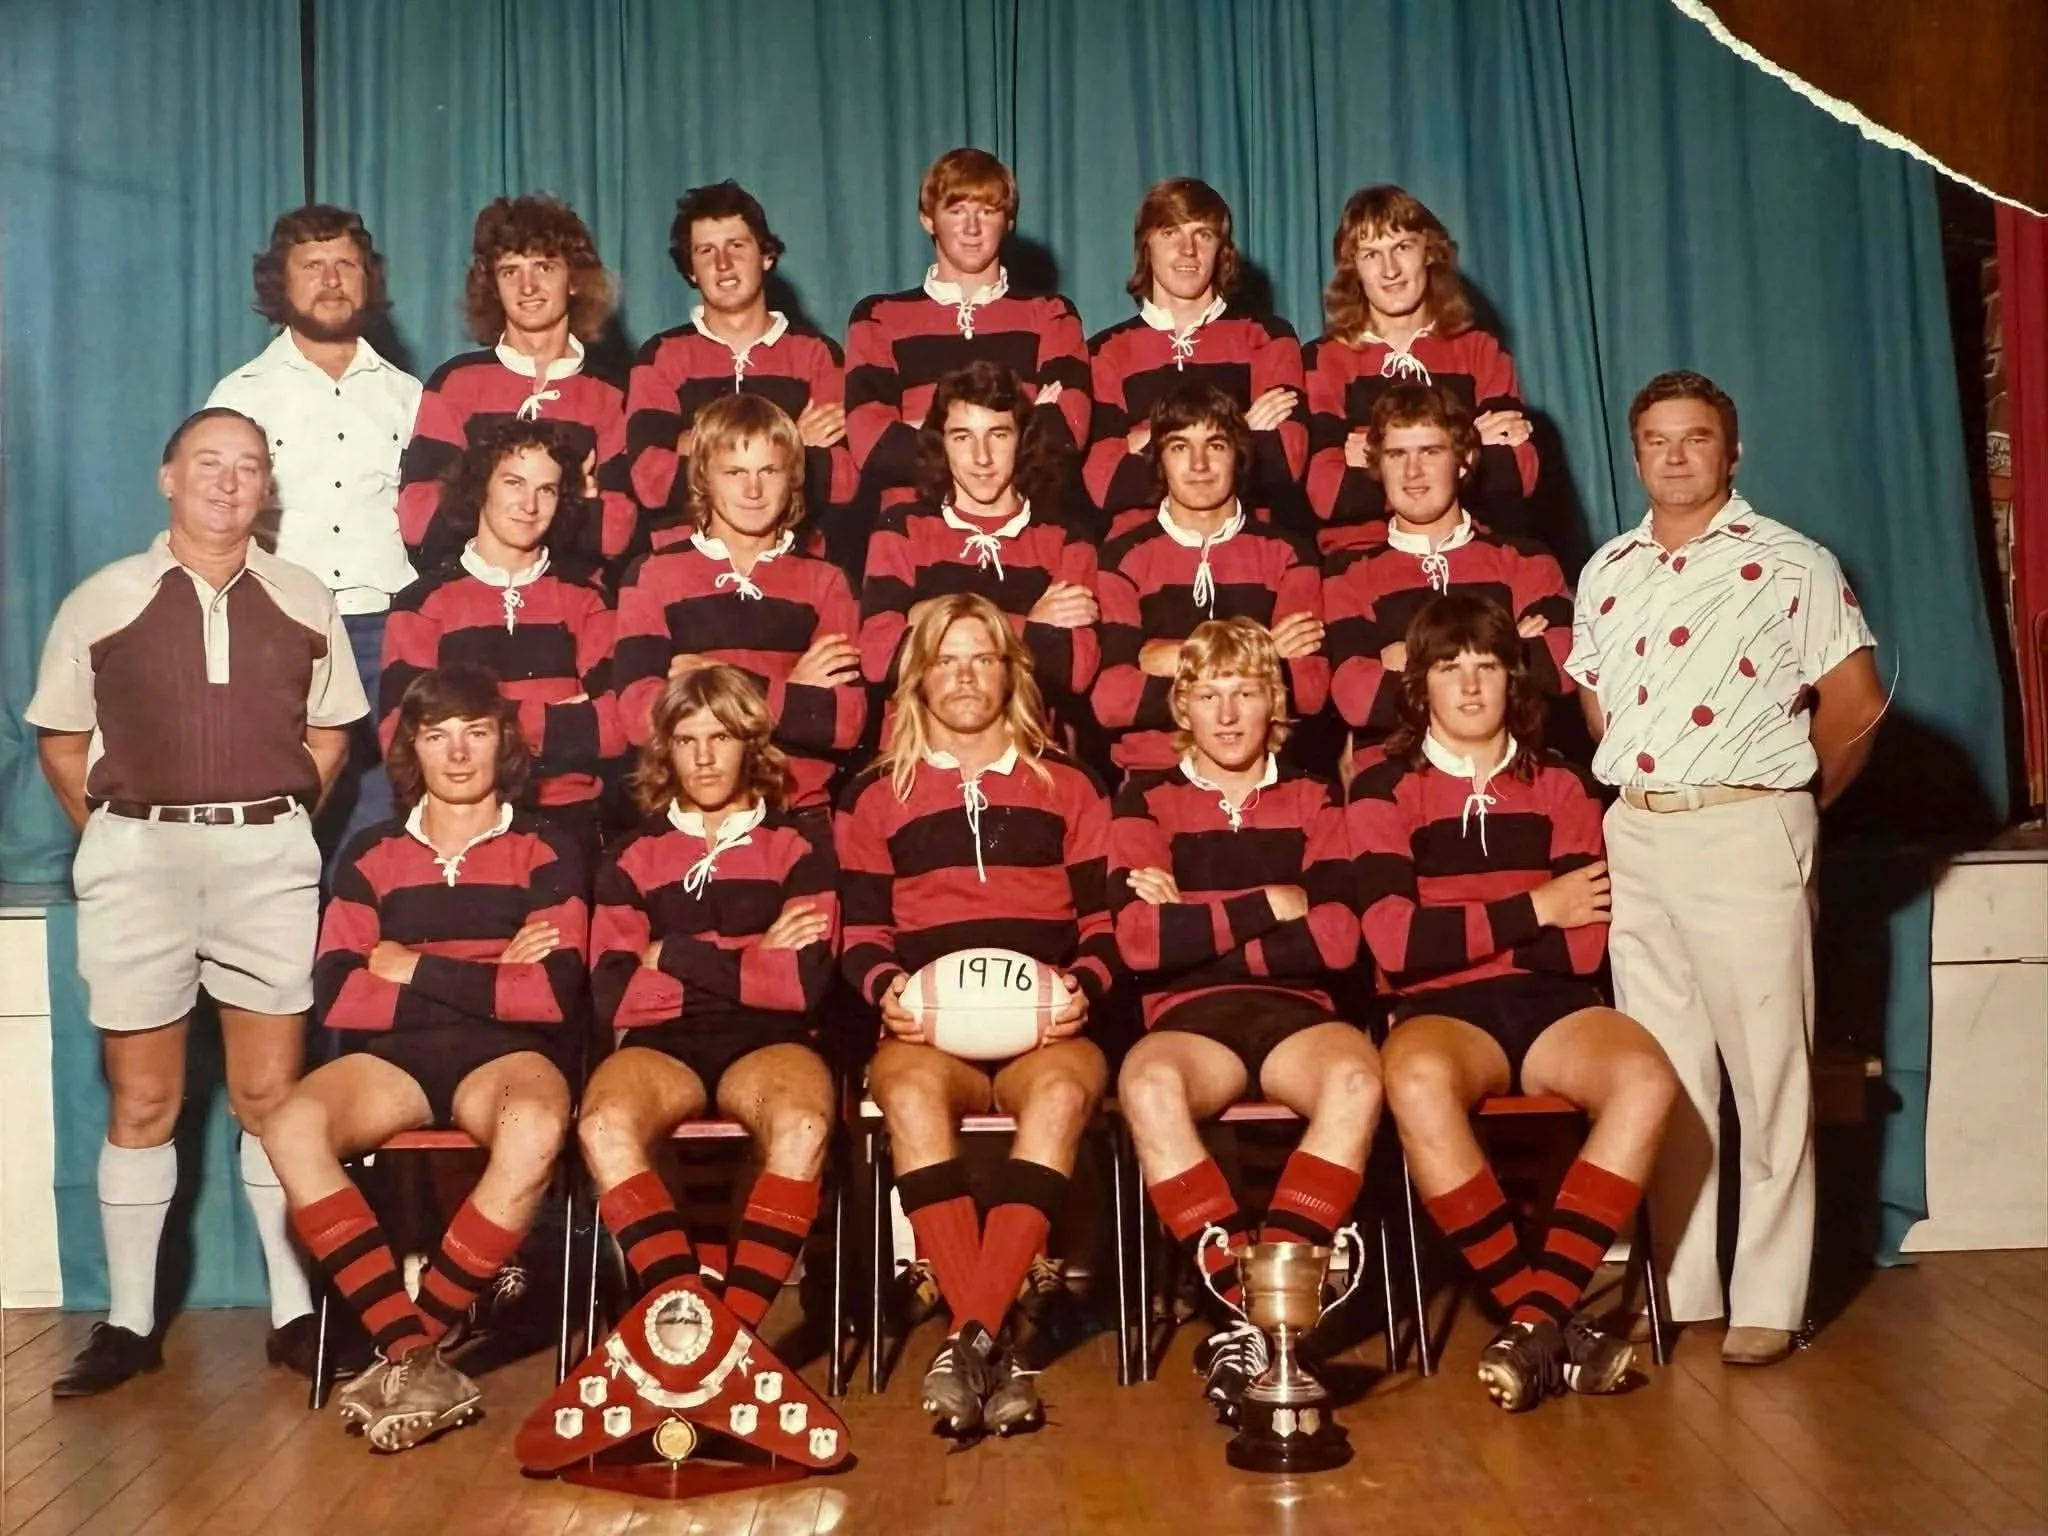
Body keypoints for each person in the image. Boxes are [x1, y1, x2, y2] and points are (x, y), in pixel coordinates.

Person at [27, 407, 368, 1393]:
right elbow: (59, 740)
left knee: (270, 1096)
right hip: (140, 860)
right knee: (144, 1097)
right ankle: (131, 1325)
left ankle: (294, 1311)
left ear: (267, 488)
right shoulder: (103, 599)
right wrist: (121, 845)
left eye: (250, 468)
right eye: (208, 464)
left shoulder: (302, 596)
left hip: (265, 857)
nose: (229, 483)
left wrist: (275, 821)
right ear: (166, 477)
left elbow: (333, 735)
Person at [1566, 371, 1885, 1367]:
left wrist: (1787, 805)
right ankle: (1684, 1282)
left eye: (1694, 438)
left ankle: (1769, 1297)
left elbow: (1856, 703)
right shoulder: (1606, 569)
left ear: (1729, 452)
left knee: (1768, 1071)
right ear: (1633, 453)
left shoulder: (1789, 563)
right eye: (1655, 439)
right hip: (1641, 832)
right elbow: (1594, 700)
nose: (1672, 456)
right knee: (1665, 1073)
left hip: (1745, 826)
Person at [1349, 593, 1677, 1412]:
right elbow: (1396, 944)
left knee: (1646, 1080)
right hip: (1442, 1015)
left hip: (1552, 1004)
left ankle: (1532, 1320)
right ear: (1419, 685)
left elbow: (1582, 946)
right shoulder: (1382, 788)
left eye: (1487, 666)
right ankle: (1552, 1319)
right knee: (1416, 1080)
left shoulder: (1561, 785)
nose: (1469, 685)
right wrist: (1534, 907)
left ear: (1513, 680)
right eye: (1448, 668)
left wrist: (1466, 928)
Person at [266, 666, 586, 1451]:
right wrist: (491, 974)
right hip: (394, 1063)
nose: (458, 753)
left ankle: (413, 1344)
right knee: (290, 1125)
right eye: (437, 735)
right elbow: (339, 994)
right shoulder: (371, 852)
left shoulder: (549, 846)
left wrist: (413, 965)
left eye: (476, 732)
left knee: (538, 1124)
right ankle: (413, 1352)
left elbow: (548, 996)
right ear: (411, 746)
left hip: (507, 1057)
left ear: (504, 740)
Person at [836, 593, 1120, 1437]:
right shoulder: (874, 794)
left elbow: (1106, 924)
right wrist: (885, 986)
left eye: (982, 658)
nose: (964, 677)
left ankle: (969, 1335)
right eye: (946, 660)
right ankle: (991, 1335)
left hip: (1044, 1028)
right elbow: (859, 930)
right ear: (918, 677)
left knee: (1066, 1095)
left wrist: (1088, 988)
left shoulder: (1070, 784)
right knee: (910, 1096)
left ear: (1010, 672)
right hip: (930, 1032)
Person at [1111, 618, 1377, 1421]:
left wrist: (1199, 922)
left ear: (1276, 705)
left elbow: (1335, 941)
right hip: (1190, 1020)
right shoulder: (1142, 798)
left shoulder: (1313, 796)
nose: (1228, 714)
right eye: (1209, 695)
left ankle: (1268, 1311)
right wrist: (1269, 903)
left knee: (1360, 1077)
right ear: (1181, 708)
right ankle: (1250, 1309)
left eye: (1247, 693)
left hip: (1300, 1013)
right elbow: (1139, 943)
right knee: (1149, 1083)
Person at [583, 665, 839, 1330]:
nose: (703, 756)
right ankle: (687, 1317)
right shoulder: (632, 855)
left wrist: (672, 954)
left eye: (720, 737)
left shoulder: (799, 847)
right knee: (603, 1124)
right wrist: (755, 963)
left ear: (750, 744)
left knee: (804, 1127)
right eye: (687, 738)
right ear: (665, 748)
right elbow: (615, 995)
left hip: (770, 1044)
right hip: (661, 1047)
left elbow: (803, 986)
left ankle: (735, 1337)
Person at [206, 204, 421, 861]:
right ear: (281, 282)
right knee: (283, 824)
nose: (331, 280)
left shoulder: (411, 396)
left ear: (368, 279)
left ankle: (356, 961)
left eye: (345, 265)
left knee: (383, 822)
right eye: (312, 266)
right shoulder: (239, 395)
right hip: (282, 633)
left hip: (388, 634)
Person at [379, 419, 621, 869]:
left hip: (570, 825)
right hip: (460, 829)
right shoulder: (424, 602)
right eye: (513, 483)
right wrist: (560, 718)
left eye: (547, 490)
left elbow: (617, 728)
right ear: (481, 487)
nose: (529, 505)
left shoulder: (588, 598)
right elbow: (400, 734)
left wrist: (474, 722)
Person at [614, 393, 866, 812]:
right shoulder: (653, 575)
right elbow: (638, 715)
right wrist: (793, 693)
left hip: (798, 813)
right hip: (692, 816)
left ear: (794, 478)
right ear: (703, 478)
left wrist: (721, 679)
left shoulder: (827, 581)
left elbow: (844, 722)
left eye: (769, 471)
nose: (753, 490)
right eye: (734, 472)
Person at [1093, 384, 1326, 777]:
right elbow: (1112, 700)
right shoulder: (1121, 557)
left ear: (1238, 455)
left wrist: (1166, 657)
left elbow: (1308, 690)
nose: (1199, 465)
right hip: (1154, 774)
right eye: (1180, 447)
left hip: (1261, 774)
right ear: (1159, 461)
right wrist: (1263, 651)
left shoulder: (1289, 553)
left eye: (1215, 445)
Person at [1325, 384, 1572, 744]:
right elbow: (1359, 699)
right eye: (1396, 455)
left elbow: (1558, 668)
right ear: (1377, 464)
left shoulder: (1526, 560)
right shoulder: (1346, 573)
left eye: (1430, 451)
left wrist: (1409, 658)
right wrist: (1506, 645)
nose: (1413, 472)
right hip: (1399, 788)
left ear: (1464, 461)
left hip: (1512, 777)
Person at [621, 181, 857, 559]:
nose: (723, 264)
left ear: (765, 255)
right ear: (691, 271)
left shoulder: (817, 354)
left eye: (736, 246)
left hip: (793, 565)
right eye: (705, 251)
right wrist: (791, 440)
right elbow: (650, 480)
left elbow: (843, 480)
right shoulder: (662, 356)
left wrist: (693, 446)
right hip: (684, 570)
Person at [398, 195, 633, 569]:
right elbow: (418, 518)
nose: (527, 287)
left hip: (574, 609)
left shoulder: (611, 395)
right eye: (510, 271)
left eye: (543, 267)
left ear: (573, 279)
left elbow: (617, 531)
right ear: (492, 285)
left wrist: (479, 500)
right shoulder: (455, 383)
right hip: (471, 604)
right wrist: (573, 504)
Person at [845, 148, 1090, 505]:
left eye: (987, 212)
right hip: (913, 530)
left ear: (1008, 222)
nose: (972, 228)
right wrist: (1017, 428)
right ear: (928, 219)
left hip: (1023, 525)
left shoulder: (1051, 313)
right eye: (956, 210)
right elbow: (874, 445)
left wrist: (922, 429)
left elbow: (1065, 433)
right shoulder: (879, 316)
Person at [858, 362, 1100, 722]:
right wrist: (1026, 626)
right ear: (941, 444)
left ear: (1022, 441)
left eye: (998, 435)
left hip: (1026, 750)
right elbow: (880, 659)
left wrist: (930, 615)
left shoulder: (1067, 537)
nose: (982, 457)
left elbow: (1073, 670)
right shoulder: (902, 526)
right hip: (919, 754)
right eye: (962, 437)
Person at [1304, 186, 1538, 557]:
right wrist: (1467, 442)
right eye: (1371, 254)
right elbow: (1328, 493)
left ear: (1428, 252)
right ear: (1354, 269)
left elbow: (1516, 474)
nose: (1390, 270)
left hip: (1468, 553)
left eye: (1402, 247)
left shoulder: (1480, 350)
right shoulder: (1324, 360)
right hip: (1361, 562)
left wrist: (1376, 453)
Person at [1084, 178, 1308, 529]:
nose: (1188, 250)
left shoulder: (1267, 337)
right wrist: (1238, 428)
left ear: (1222, 250)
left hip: (1246, 556)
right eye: (1170, 232)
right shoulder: (1105, 351)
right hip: (1141, 562)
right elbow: (1106, 484)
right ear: (1147, 245)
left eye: (1203, 235)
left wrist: (1146, 439)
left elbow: (1282, 462)